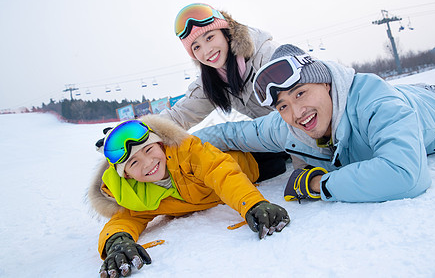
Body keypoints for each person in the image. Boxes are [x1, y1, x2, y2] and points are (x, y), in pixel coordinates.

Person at [193, 44, 435, 203]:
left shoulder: (376, 101)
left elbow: (405, 176)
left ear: (325, 83)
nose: (297, 112)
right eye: (282, 105)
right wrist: (175, 144)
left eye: (300, 93)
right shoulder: (286, 125)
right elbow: (233, 133)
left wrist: (317, 184)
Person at [88, 116, 289, 278]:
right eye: (134, 163)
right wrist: (116, 242)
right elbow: (124, 219)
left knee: (288, 147)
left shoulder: (186, 153)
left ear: (160, 145)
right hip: (260, 170)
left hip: (251, 158)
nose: (148, 163)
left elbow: (222, 174)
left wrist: (253, 204)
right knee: (284, 160)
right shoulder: (138, 195)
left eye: (149, 149)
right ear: (127, 175)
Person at [159, 2, 293, 180]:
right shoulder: (214, 78)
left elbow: (303, 102)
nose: (207, 51)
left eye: (209, 37)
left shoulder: (265, 56)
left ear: (226, 33)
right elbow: (180, 115)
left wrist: (304, 166)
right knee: (208, 148)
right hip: (278, 140)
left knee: (220, 135)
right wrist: (135, 135)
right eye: (196, 47)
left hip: (306, 130)